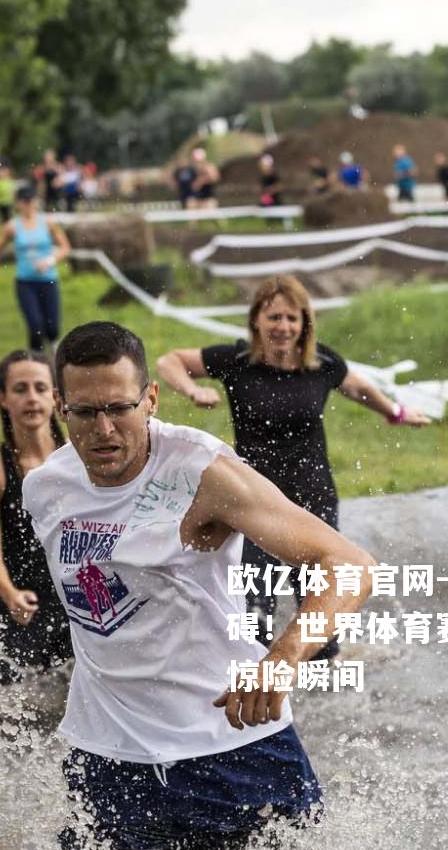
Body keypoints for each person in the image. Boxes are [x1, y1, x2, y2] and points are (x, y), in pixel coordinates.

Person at [26, 321, 379, 850]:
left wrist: (282, 659)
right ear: (60, 408)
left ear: (150, 397)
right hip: (111, 759)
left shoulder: (204, 471)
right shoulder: (45, 486)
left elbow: (347, 566)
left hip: (238, 749)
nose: (105, 429)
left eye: (121, 408)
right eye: (84, 413)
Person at [155, 274, 430, 646]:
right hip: (252, 502)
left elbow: (359, 388)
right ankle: (258, 689)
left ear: (304, 325)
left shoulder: (321, 364)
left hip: (312, 498)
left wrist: (394, 412)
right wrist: (191, 389)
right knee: (254, 614)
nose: (283, 327)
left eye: (291, 318)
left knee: (319, 618)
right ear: (256, 321)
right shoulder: (235, 361)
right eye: (274, 317)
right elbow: (169, 360)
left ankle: (323, 691)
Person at [0, 350, 74, 685]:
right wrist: (9, 594)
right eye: (20, 389)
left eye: (41, 388)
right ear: (3, 398)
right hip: (21, 601)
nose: (32, 398)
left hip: (76, 593)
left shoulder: (78, 456)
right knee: (10, 705)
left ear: (56, 397)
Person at [0, 186, 71, 354]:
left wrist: (50, 260)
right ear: (18, 204)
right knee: (35, 326)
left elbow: (65, 247)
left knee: (52, 327)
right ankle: (35, 359)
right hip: (26, 282)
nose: (28, 205)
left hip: (48, 280)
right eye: (24, 202)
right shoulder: (12, 226)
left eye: (31, 201)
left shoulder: (47, 222)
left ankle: (55, 357)